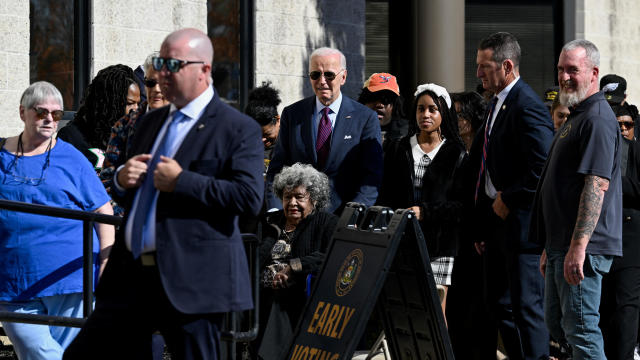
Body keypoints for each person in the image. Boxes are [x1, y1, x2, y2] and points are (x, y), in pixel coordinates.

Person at [63, 28, 264, 360]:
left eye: (174, 64)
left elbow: (248, 198)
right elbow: (139, 196)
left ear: (204, 70)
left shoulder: (236, 128)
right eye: (160, 62)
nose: (163, 73)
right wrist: (123, 182)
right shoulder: (148, 123)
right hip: (133, 274)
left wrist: (183, 181)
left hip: (193, 277)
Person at [0, 81, 114, 359]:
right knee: (36, 349)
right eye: (41, 112)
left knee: (65, 352)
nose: (50, 119)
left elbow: (104, 211)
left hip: (70, 277)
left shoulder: (72, 158)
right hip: (13, 279)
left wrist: (106, 262)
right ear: (22, 113)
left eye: (57, 114)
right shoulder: (2, 155)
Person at [531, 39, 622, 360]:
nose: (564, 77)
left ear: (594, 72)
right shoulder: (577, 115)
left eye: (573, 70)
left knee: (581, 329)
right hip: (561, 244)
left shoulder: (597, 118)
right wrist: (550, 246)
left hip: (585, 246)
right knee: (558, 325)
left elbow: (596, 186)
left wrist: (578, 248)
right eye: (560, 70)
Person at [468, 32, 553, 360]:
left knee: (527, 311)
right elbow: (486, 169)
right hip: (495, 226)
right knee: (500, 306)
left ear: (506, 66)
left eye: (484, 67)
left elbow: (541, 167)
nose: (478, 74)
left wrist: (510, 198)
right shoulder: (496, 104)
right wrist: (483, 223)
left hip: (522, 228)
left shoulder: (527, 104)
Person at [377, 83, 467, 319]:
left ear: (442, 113)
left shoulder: (456, 153)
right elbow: (385, 194)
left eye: (432, 109)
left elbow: (462, 205)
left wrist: (425, 211)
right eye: (420, 109)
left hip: (440, 243)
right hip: (402, 240)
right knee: (405, 308)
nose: (425, 115)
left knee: (437, 312)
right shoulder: (398, 148)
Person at [266, 47, 383, 214]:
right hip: (298, 219)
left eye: (329, 74)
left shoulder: (365, 118)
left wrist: (354, 215)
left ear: (343, 77)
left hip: (342, 220)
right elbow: (277, 170)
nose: (322, 81)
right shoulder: (292, 114)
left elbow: (371, 177)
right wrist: (275, 210)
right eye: (315, 75)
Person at [255, 163, 338, 359]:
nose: (292, 203)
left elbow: (333, 255)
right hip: (258, 291)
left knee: (280, 298)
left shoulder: (326, 222)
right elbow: (252, 255)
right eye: (287, 197)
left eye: (299, 197)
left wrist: (294, 267)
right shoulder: (270, 222)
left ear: (314, 199)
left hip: (299, 293)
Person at [100, 52, 170, 212]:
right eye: (151, 83)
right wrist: (121, 180)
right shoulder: (125, 125)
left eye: (163, 83)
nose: (157, 89)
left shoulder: (187, 124)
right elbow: (106, 180)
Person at [599, 113, 640, 360]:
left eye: (628, 125)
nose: (623, 129)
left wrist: (612, 183)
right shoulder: (600, 150)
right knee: (602, 309)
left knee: (627, 309)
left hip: (631, 240)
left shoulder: (636, 152)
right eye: (618, 125)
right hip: (601, 239)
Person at [57, 64, 140, 171]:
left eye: (138, 103)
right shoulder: (70, 136)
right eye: (129, 103)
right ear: (109, 103)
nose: (135, 109)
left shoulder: (129, 137)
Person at [357, 72, 408, 143]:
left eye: (386, 100)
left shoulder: (407, 136)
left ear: (395, 106)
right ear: (363, 102)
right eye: (374, 98)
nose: (380, 105)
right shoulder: (349, 130)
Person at [245, 81, 282, 175]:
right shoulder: (243, 147)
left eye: (267, 134)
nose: (262, 140)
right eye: (256, 135)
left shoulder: (292, 146)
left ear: (278, 120)